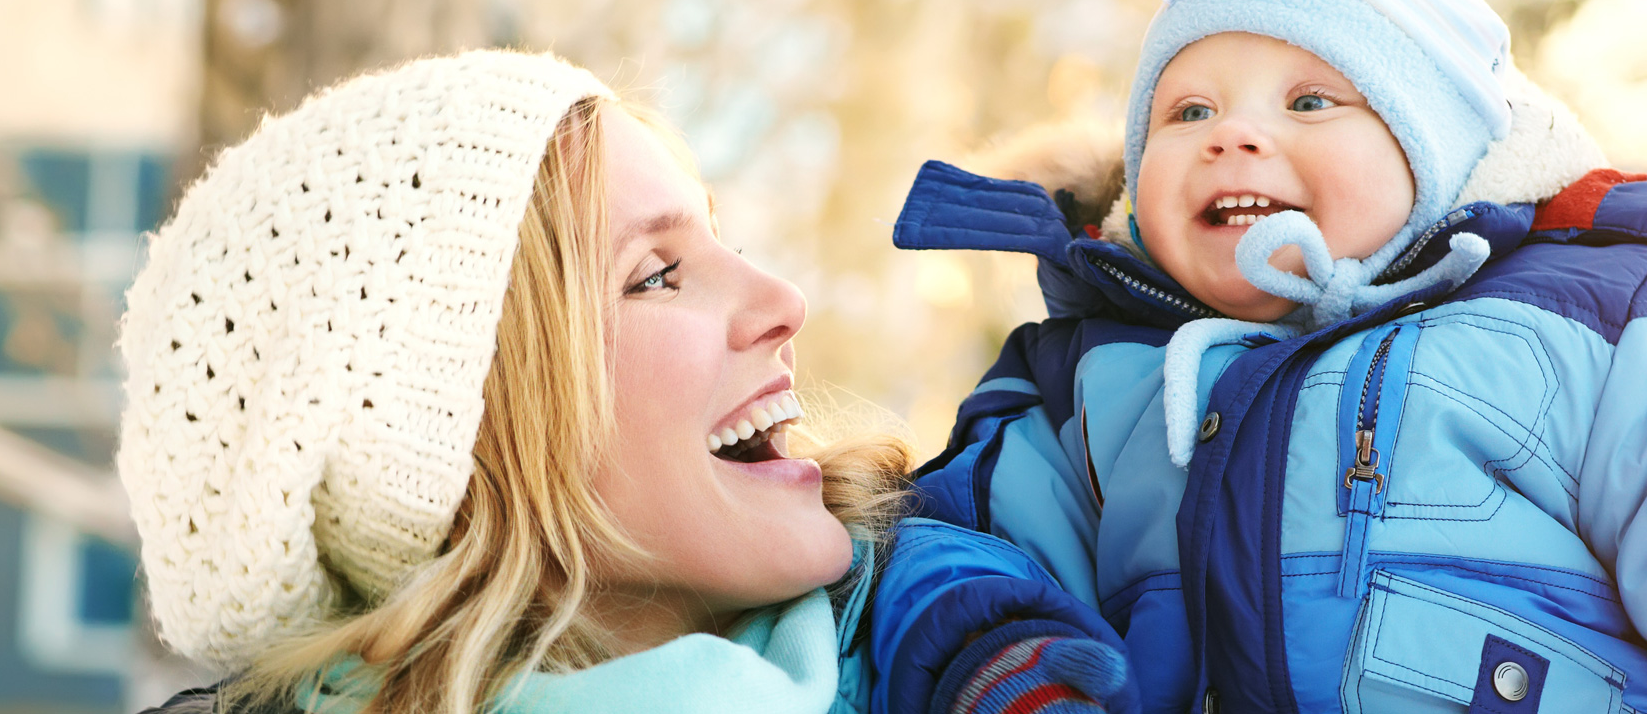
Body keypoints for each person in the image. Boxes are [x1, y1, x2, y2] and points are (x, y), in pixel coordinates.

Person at [890, 0, 1647, 711]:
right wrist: (1007, 668)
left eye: (1311, 101)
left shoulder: (1582, 324)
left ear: (1435, 153)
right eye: (1188, 110)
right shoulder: (1087, 386)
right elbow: (949, 555)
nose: (1231, 135)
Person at [116, 50, 1137, 714]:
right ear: (462, 447)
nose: (782, 298)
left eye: (720, 236)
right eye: (656, 276)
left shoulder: (985, 636)